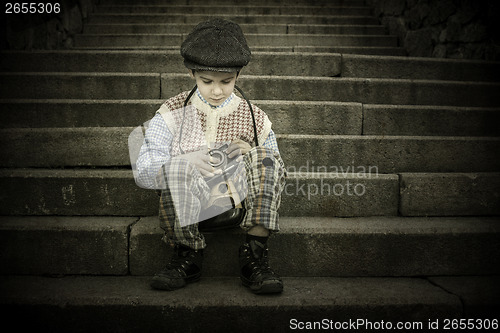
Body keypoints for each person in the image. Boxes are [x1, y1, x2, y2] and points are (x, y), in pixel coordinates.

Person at [134, 18, 286, 294]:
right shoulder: (171, 111)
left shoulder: (256, 117)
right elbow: (144, 169)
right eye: (207, 81)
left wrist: (251, 153)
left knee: (265, 157)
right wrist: (184, 160)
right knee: (176, 166)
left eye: (226, 81)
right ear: (192, 73)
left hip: (237, 200)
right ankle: (187, 254)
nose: (217, 90)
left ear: (238, 75)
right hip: (187, 200)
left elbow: (276, 170)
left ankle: (254, 253)